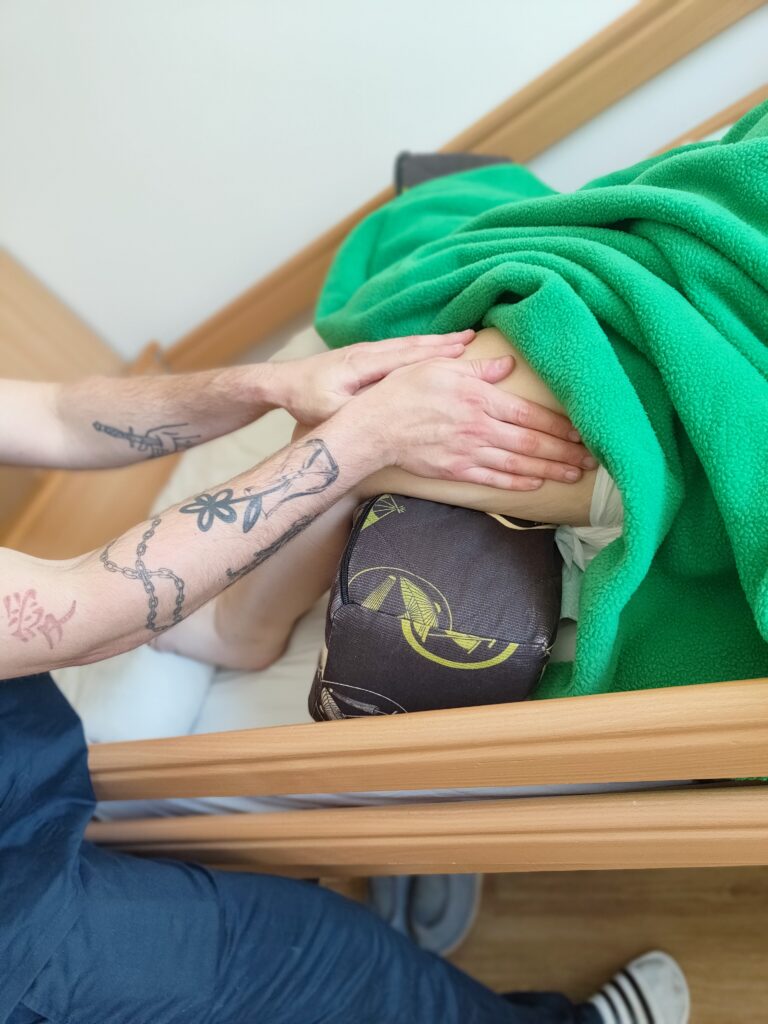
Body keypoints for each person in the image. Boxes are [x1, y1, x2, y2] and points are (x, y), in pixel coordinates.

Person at [0, 331, 688, 1023]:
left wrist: (268, 386)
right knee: (328, 961)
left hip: (32, 769)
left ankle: (238, 632)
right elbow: (86, 611)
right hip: (17, 926)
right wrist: (361, 441)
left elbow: (54, 415)